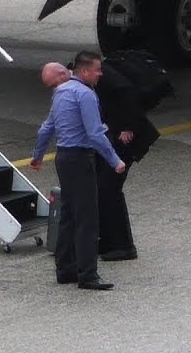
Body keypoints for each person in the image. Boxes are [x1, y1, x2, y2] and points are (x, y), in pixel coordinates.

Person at [31, 52, 126, 291]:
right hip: (80, 159)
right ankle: (88, 274)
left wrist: (38, 156)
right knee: (87, 219)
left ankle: (65, 269)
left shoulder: (60, 93)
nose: (100, 74)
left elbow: (46, 129)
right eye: (97, 70)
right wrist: (115, 160)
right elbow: (94, 133)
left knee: (68, 216)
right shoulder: (85, 95)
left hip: (63, 158)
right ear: (84, 72)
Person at [94, 58, 160, 261]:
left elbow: (126, 91)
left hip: (126, 140)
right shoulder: (92, 81)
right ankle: (107, 241)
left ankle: (124, 245)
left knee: (108, 189)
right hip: (113, 137)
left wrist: (127, 126)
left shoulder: (105, 79)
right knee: (102, 189)